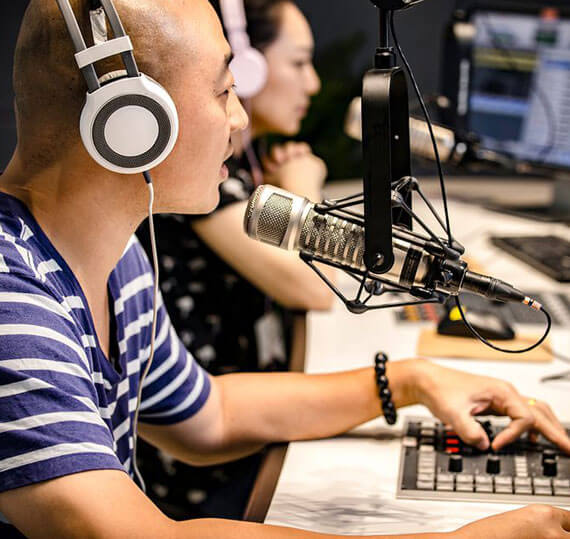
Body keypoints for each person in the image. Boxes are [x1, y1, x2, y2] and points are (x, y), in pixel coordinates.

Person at [0, 1, 570, 538]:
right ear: (130, 123)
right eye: (223, 91)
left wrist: (410, 380)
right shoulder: (12, 299)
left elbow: (211, 418)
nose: (239, 116)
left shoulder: (117, 257)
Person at [136, 0, 335, 519]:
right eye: (299, 62)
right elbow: (317, 287)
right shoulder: (199, 189)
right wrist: (304, 192)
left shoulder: (237, 176)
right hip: (200, 474)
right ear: (248, 67)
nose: (313, 83)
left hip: (230, 428)